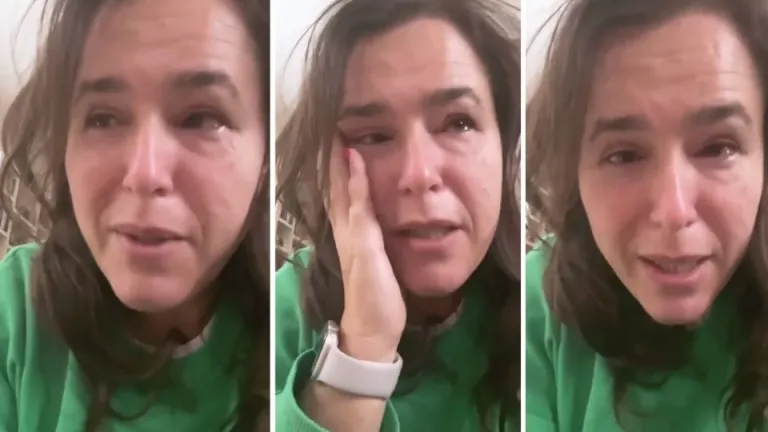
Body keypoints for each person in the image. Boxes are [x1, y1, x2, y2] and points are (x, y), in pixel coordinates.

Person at [0, 0, 270, 430]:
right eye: (103, 119)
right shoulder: (17, 312)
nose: (145, 173)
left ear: (265, 161)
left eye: (201, 118)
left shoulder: (292, 337)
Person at [274, 0, 521, 430]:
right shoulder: (282, 312)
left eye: (458, 123)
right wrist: (363, 346)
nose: (419, 174)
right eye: (373, 136)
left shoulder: (539, 311)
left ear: (504, 144)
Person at [526, 0, 768, 430]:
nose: (674, 211)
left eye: (718, 148)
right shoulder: (535, 305)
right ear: (574, 172)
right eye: (625, 155)